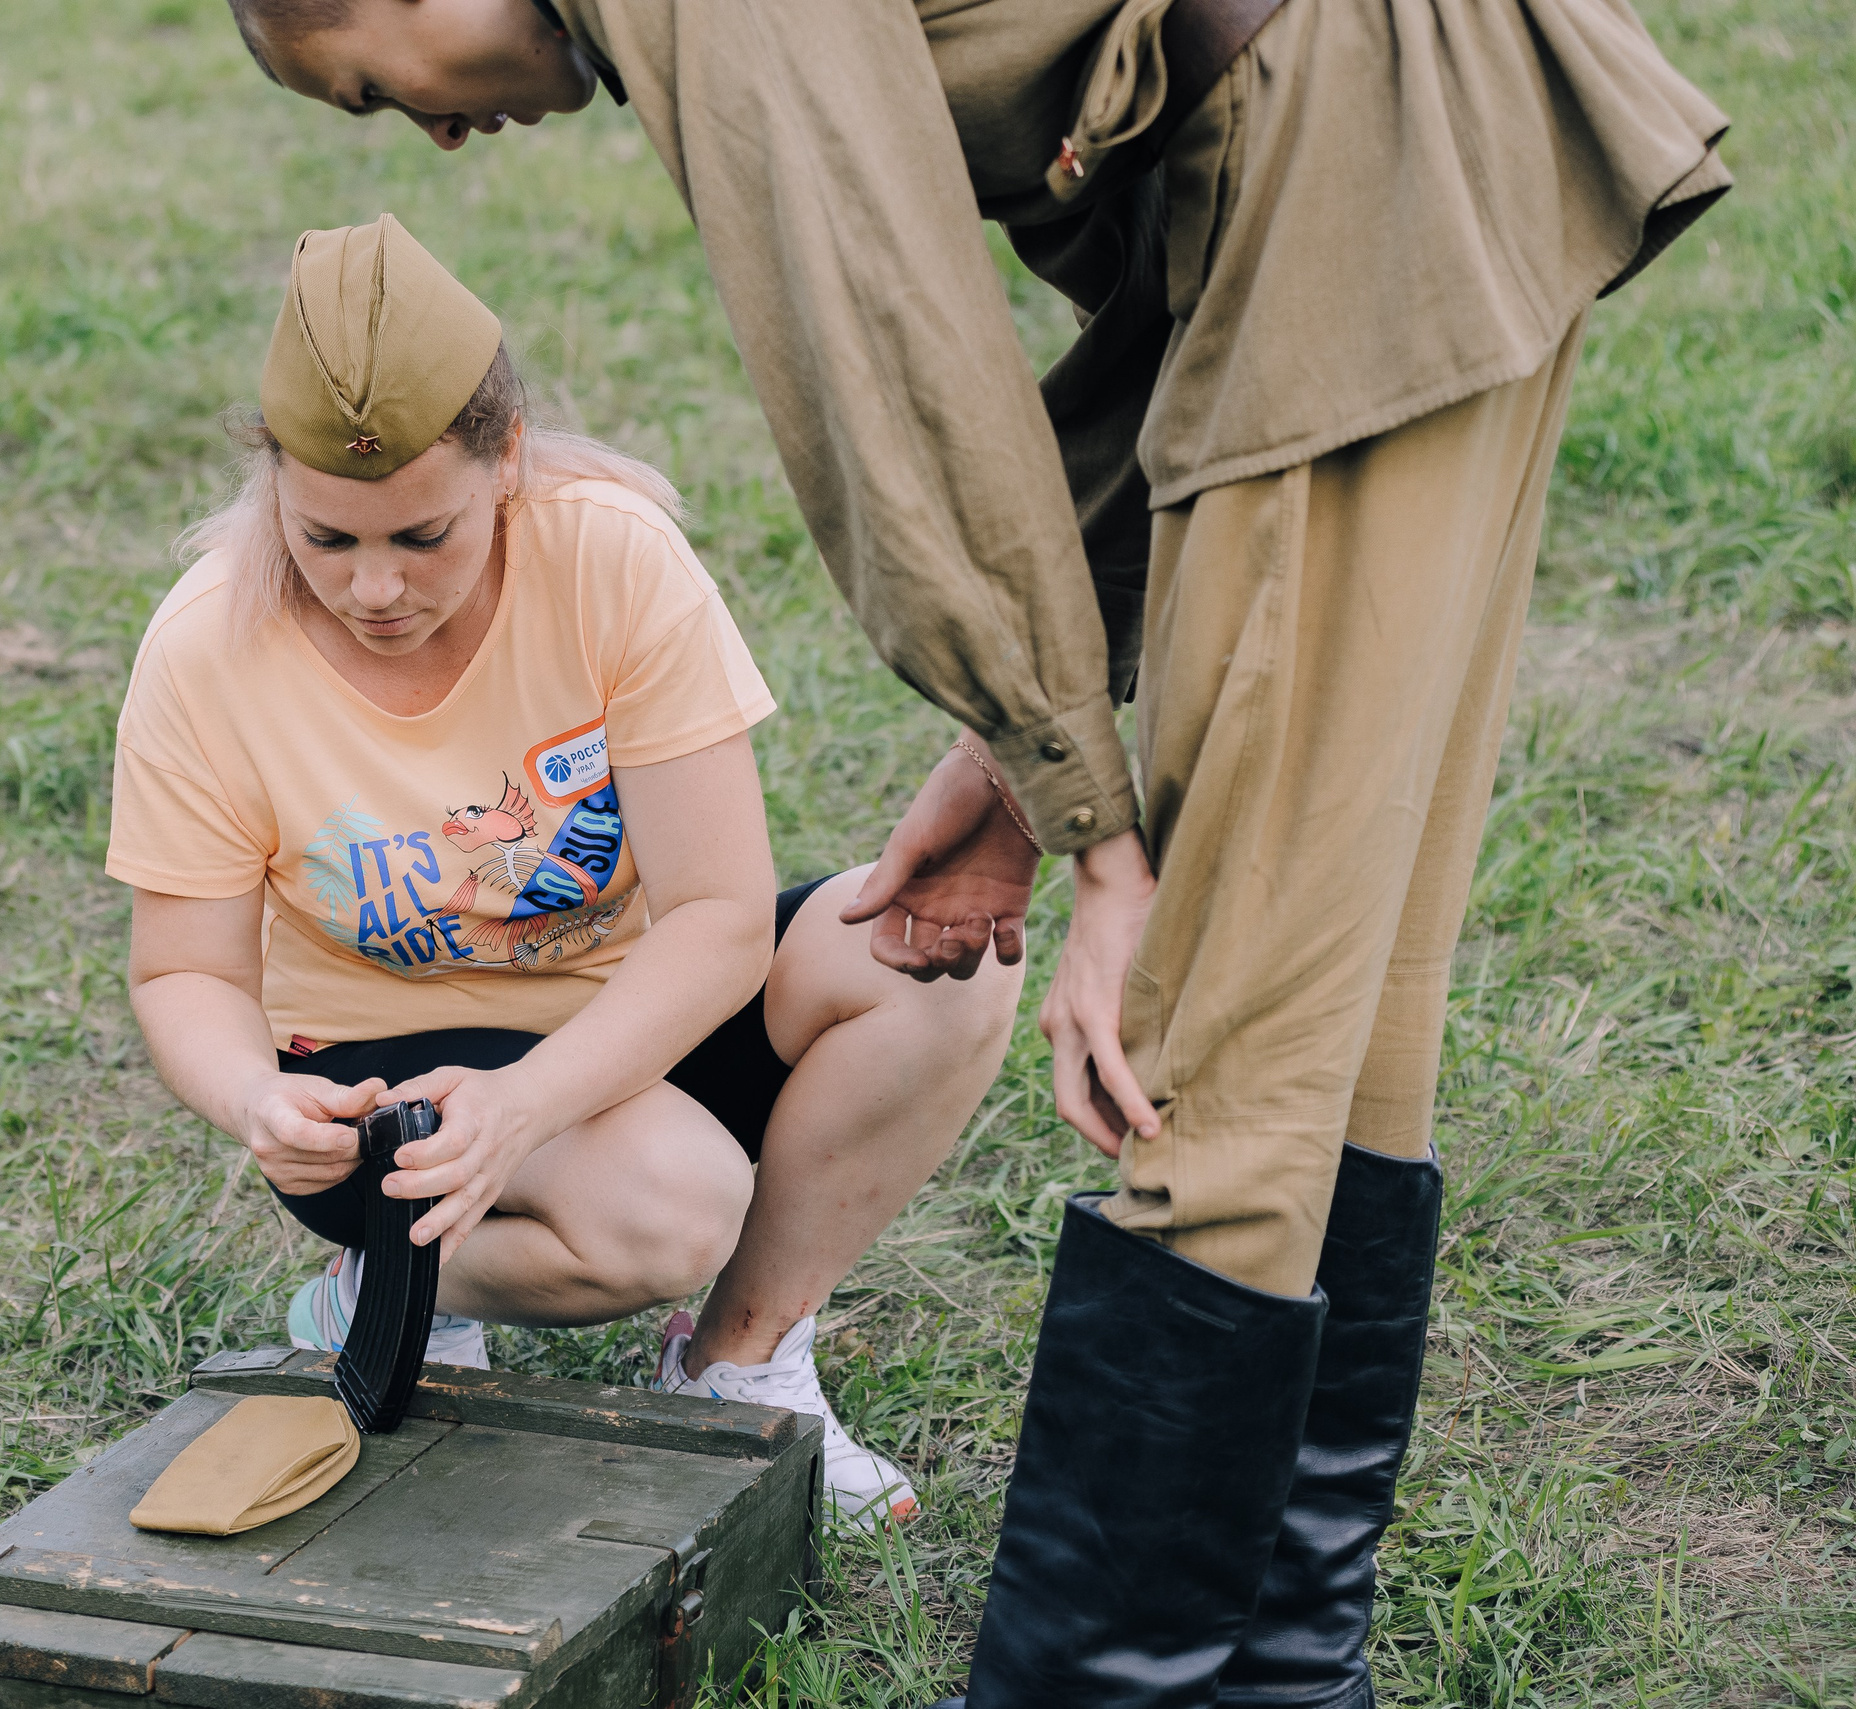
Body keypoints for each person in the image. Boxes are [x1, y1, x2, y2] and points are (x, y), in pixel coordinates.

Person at [231, 0, 1730, 1702]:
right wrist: (1019, 764)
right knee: (1345, 1030)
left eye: (365, 85)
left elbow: (892, 352)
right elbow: (1160, 304)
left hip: (1353, 179)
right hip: (1393, 168)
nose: (424, 134)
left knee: (1222, 1064)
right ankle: (1277, 1673)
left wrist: (1092, 822)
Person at [112, 213, 1020, 1526]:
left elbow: (715, 916)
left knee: (942, 958)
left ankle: (741, 1367)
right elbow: (185, 965)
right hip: (379, 1070)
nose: (373, 588)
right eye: (326, 540)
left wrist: (533, 1100)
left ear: (508, 463)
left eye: (423, 537)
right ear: (273, 489)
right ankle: (385, 1281)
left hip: (622, 1013)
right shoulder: (204, 641)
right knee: (673, 1208)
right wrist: (255, 1097)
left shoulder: (611, 554)